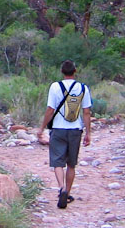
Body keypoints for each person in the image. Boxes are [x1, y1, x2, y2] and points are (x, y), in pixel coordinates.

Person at [36, 59, 92, 209]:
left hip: (58, 129)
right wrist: (88, 133)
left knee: (57, 162)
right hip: (75, 130)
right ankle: (67, 190)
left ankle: (61, 188)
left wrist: (41, 128)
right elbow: (86, 112)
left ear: (62, 72)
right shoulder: (83, 88)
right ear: (75, 71)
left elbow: (50, 110)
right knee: (71, 164)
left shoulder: (55, 87)